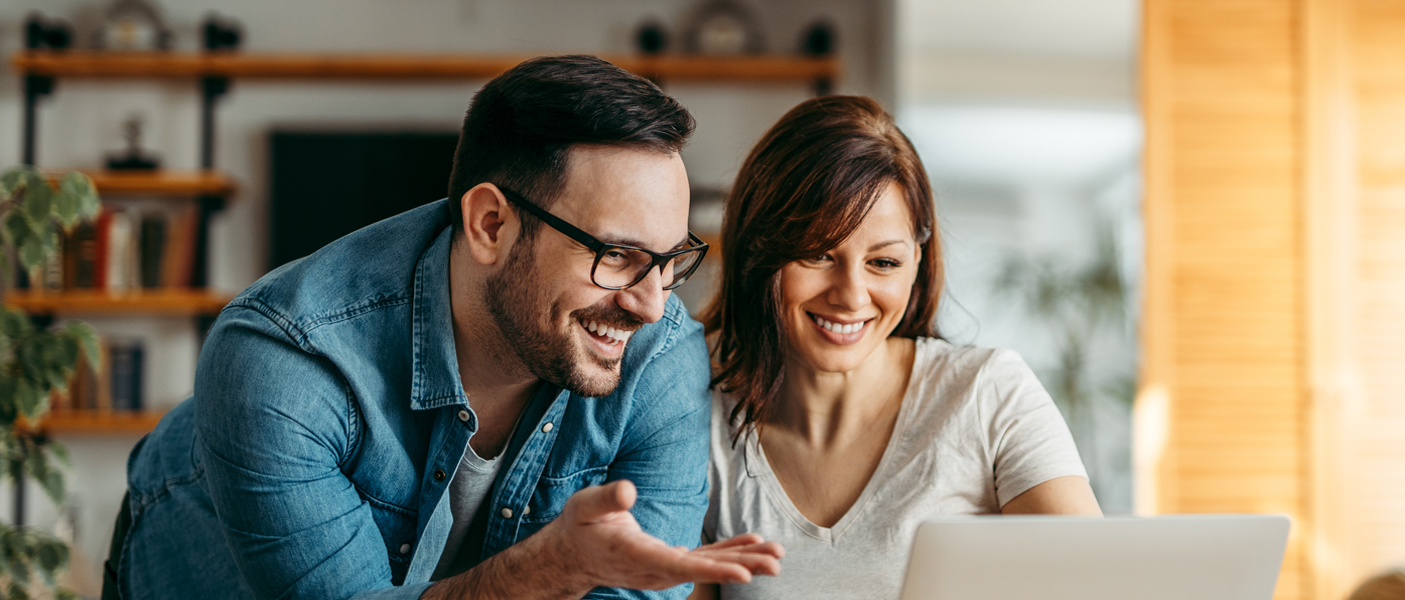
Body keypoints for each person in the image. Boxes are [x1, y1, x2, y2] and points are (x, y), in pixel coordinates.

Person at [104, 55, 783, 600]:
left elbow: (635, 593)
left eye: (669, 262)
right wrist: (551, 571)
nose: (651, 304)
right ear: (491, 225)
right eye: (616, 257)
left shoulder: (663, 354)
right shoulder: (284, 360)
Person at [692, 96, 1101, 600]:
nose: (850, 296)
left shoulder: (988, 395)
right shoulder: (691, 405)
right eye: (818, 255)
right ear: (758, 249)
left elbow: (1093, 581)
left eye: (883, 263)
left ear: (917, 263)